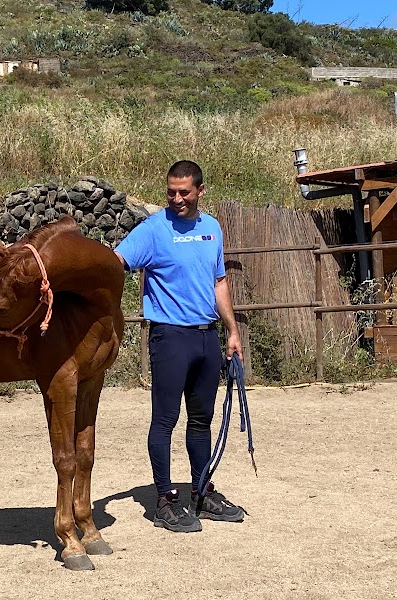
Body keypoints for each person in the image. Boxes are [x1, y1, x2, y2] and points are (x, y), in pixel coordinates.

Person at [114, 159, 245, 533]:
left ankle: (201, 494)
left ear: (200, 191)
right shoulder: (152, 230)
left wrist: (232, 331)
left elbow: (219, 282)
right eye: (171, 192)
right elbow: (117, 261)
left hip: (207, 337)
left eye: (184, 192)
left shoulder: (212, 228)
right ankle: (165, 501)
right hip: (170, 336)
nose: (177, 199)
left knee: (201, 419)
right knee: (165, 419)